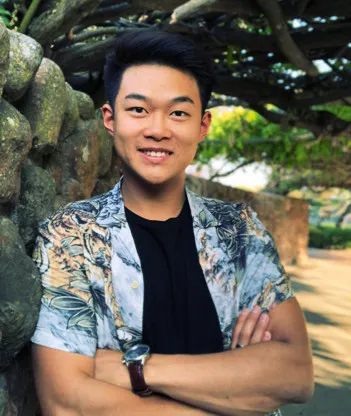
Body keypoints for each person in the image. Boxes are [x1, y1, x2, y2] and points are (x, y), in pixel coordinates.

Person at [31, 30, 314, 415]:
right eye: (138, 110)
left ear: (203, 126)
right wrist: (238, 377)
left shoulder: (240, 231)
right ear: (110, 119)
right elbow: (67, 403)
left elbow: (295, 374)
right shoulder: (71, 236)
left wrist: (136, 369)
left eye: (178, 113)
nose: (158, 130)